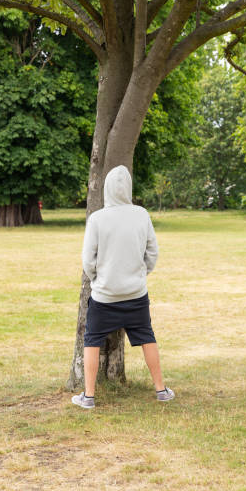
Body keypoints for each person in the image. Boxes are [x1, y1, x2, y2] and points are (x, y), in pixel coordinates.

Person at [71, 164, 175, 409]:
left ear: (106, 188)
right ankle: (161, 389)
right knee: (147, 336)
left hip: (104, 296)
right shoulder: (141, 214)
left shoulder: (97, 218)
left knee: (92, 340)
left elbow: (88, 259)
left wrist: (98, 279)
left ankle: (89, 395)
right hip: (136, 293)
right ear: (128, 188)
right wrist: (140, 274)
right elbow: (152, 253)